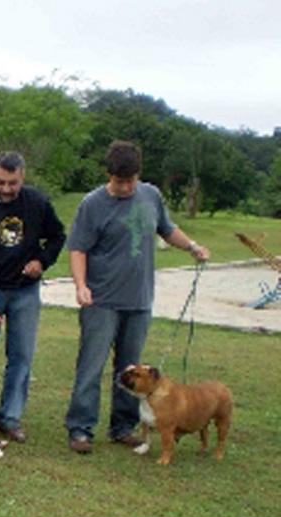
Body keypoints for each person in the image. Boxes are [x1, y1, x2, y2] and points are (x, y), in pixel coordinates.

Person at [64, 140, 210, 454]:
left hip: (139, 300)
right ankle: (80, 428)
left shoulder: (151, 196)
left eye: (131, 180)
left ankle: (123, 427)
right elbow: (78, 248)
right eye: (120, 182)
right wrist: (80, 285)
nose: (126, 187)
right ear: (109, 175)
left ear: (138, 175)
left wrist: (192, 247)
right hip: (101, 300)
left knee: (131, 372)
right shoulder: (92, 204)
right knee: (91, 365)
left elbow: (167, 229)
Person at [0, 151, 65, 443]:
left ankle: (9, 417)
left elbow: (58, 236)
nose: (6, 189)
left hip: (25, 291)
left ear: (23, 178)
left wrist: (42, 261)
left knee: (21, 356)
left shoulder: (37, 204)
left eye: (13, 183)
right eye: (1, 182)